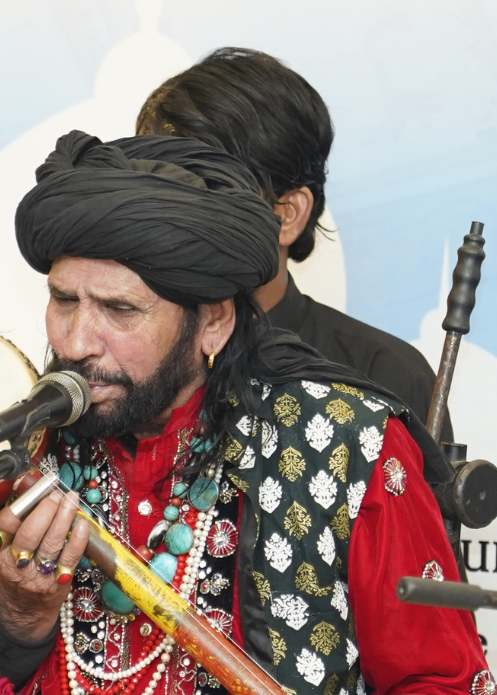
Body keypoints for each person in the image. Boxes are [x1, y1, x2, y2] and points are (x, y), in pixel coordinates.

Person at [0, 134, 497, 695]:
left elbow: (447, 688)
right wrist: (17, 620)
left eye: (119, 311)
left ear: (212, 322)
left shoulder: (343, 444)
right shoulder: (14, 448)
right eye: (63, 301)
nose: (75, 342)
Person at [136, 48, 449, 441]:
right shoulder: (113, 351)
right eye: (154, 186)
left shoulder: (385, 376)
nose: (170, 212)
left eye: (205, 187)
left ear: (287, 214)